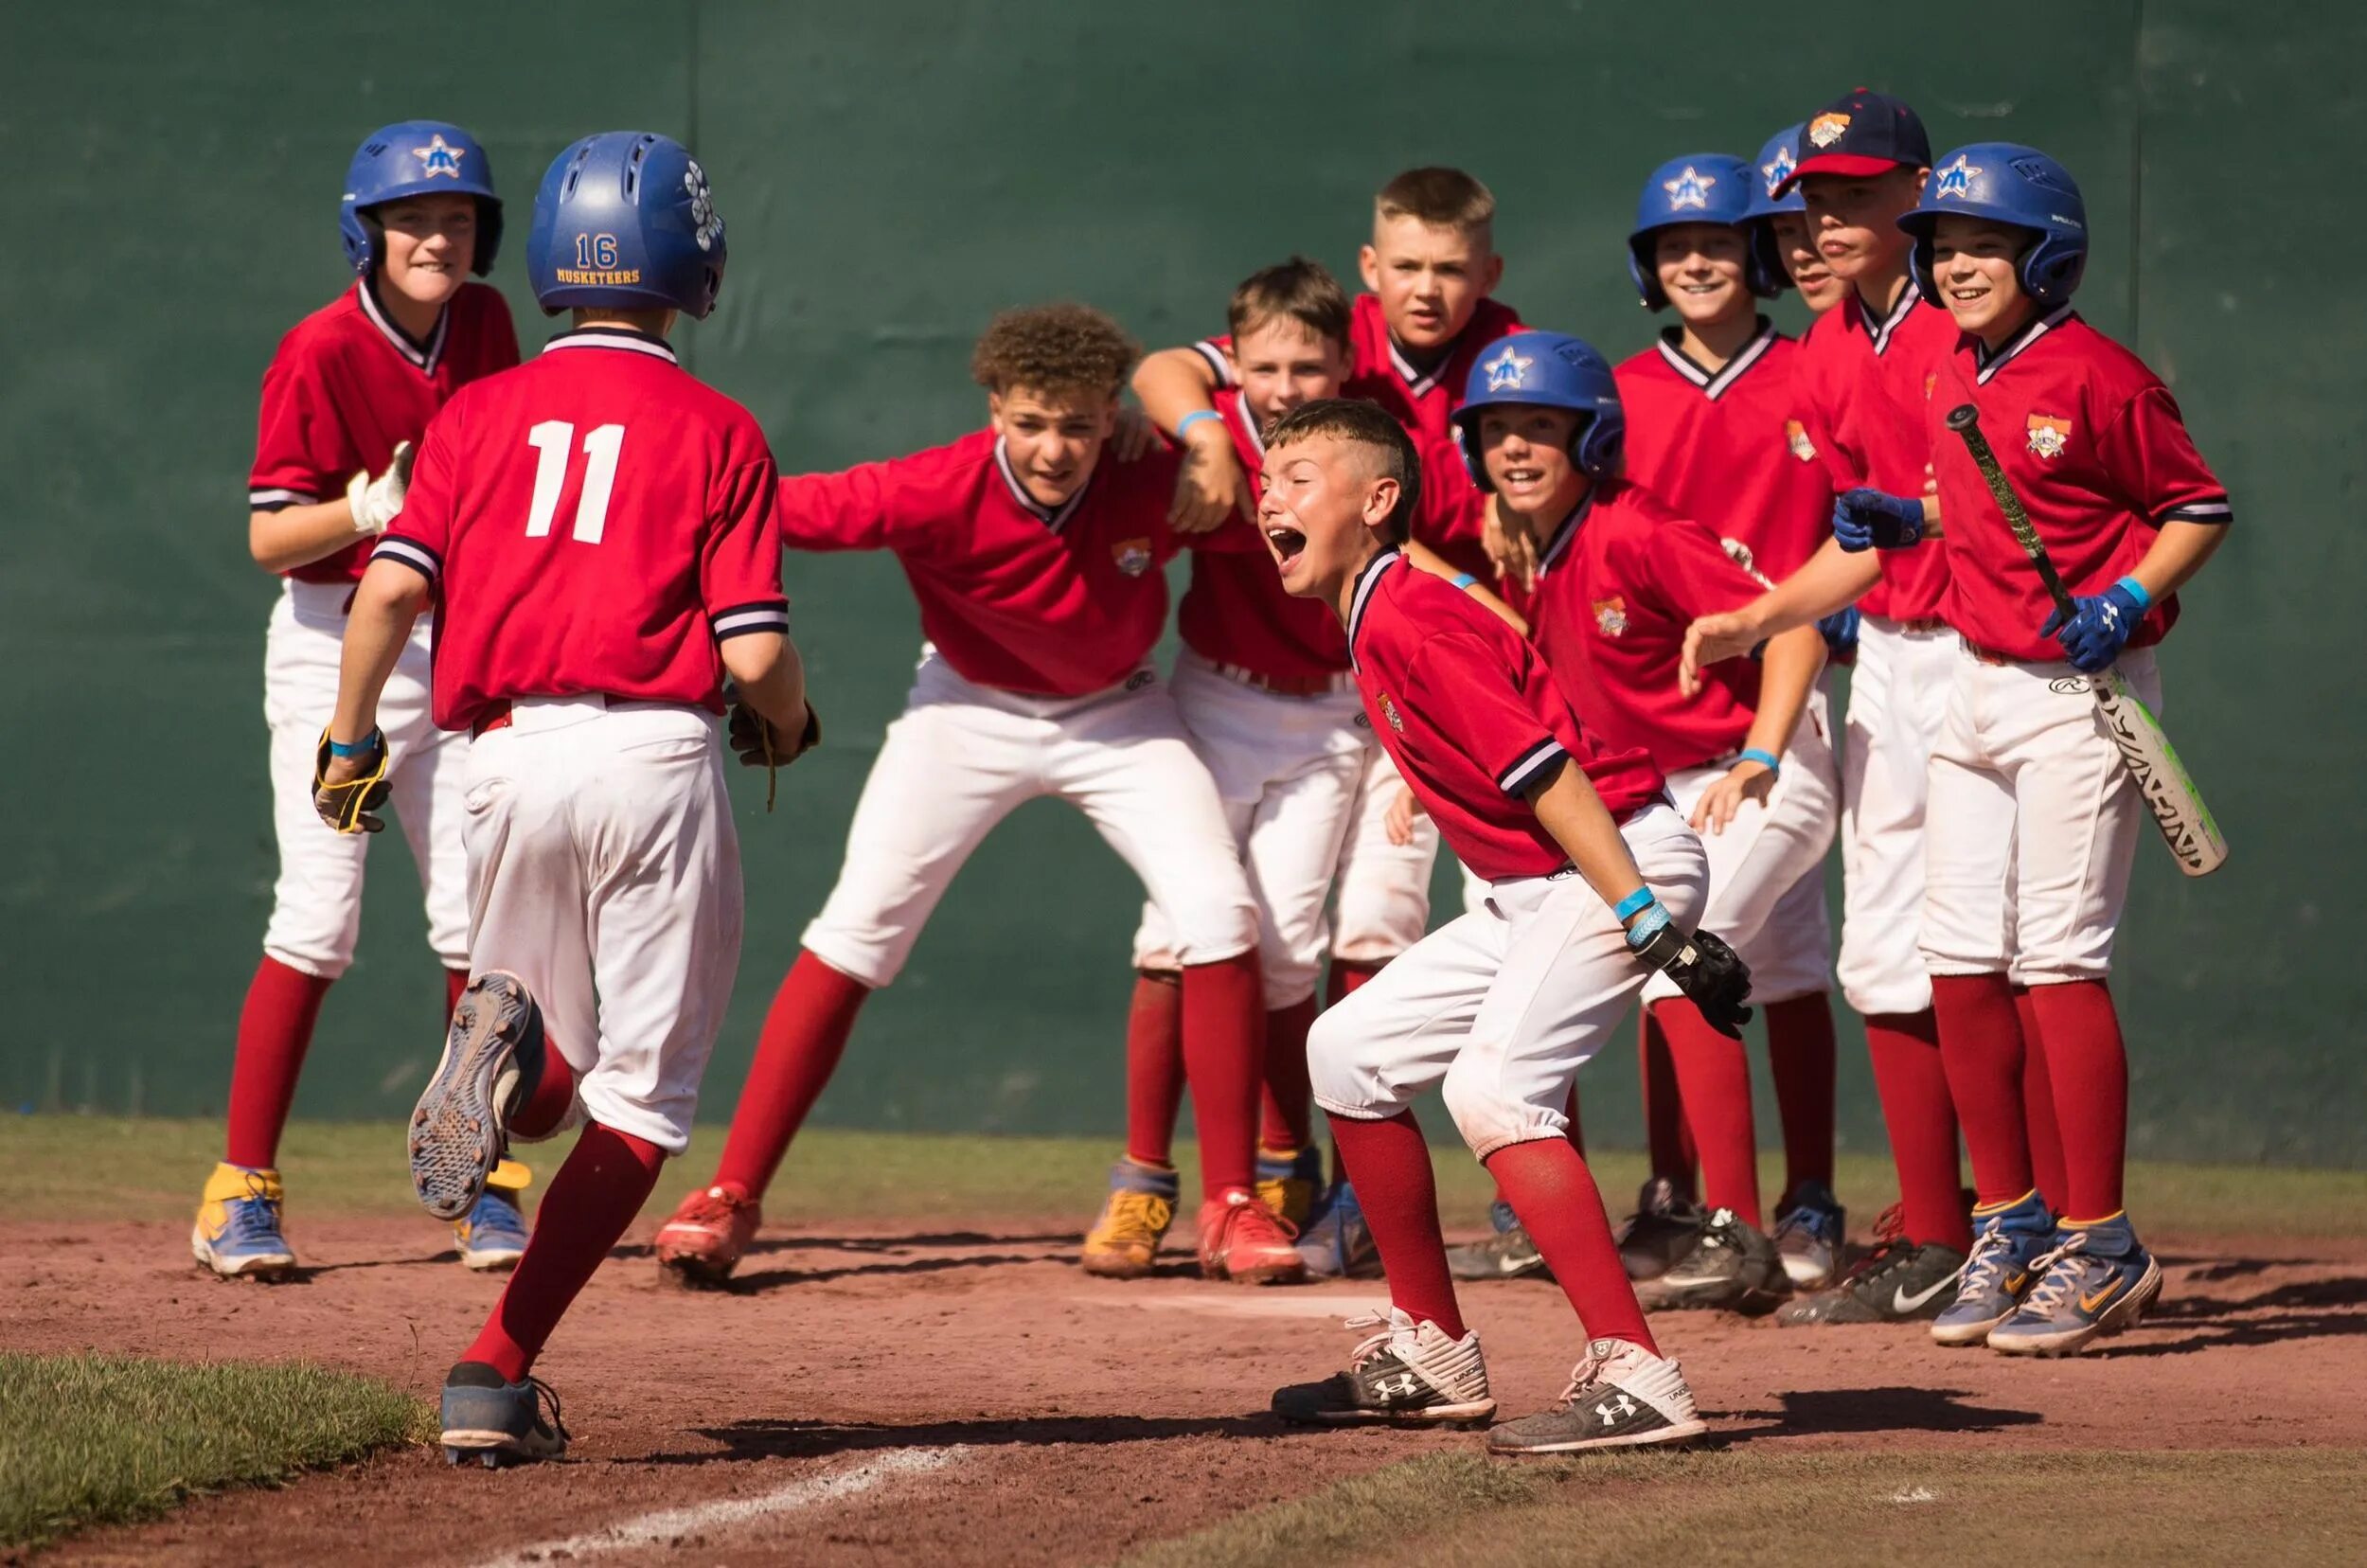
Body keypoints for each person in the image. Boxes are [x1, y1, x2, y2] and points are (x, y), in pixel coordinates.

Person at [316, 130, 810, 1463]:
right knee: (643, 1107)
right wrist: (792, 721)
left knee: (552, 1069)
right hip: (651, 756)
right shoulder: (717, 428)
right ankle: (493, 1368)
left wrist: (351, 740)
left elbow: (391, 590)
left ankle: (507, 1046)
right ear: (693, 265)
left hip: (501, 756)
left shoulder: (471, 416)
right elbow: (754, 653)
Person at [652, 304, 1304, 1289]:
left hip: (1119, 716)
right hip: (964, 711)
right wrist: (632, 502)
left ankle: (1230, 1204)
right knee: (856, 928)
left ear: (1108, 420)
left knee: (1217, 912)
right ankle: (731, 1192)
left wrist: (1204, 445)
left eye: (1079, 425)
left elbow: (1298, 524)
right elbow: (773, 509)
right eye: (1033, 421)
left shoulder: (1152, 475)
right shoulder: (934, 488)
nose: (1055, 447)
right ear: (995, 405)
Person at [1256, 398, 1745, 1452]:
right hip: (1531, 887)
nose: (1269, 496)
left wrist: (1645, 920)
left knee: (1493, 1090)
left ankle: (1639, 1372)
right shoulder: (1381, 602)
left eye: (1299, 476)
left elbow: (1552, 772)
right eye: (1267, 477)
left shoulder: (1408, 612)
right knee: (1345, 1051)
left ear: (1378, 501)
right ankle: (1431, 1352)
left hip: (1607, 857)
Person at [1134, 169, 1529, 1278]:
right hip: (1267, 683)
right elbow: (1167, 368)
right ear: (1370, 270)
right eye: (1406, 263)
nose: (1426, 286)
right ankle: (1253, 1168)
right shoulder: (1320, 335)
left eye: (1450, 267)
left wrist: (1515, 510)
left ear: (1485, 274)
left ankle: (1363, 1193)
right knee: (1236, 930)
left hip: (1400, 683)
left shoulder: (1505, 354)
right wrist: (1208, 438)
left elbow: (1529, 472)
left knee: (1378, 926)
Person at [1899, 146, 2228, 1354]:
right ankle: (2013, 1220)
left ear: (2045, 253)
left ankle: (2103, 1241)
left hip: (2075, 696)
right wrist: (1909, 517)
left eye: (1981, 243)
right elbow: (2004, 492)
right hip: (1970, 684)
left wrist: (2128, 598)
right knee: (1953, 961)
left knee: (2056, 962)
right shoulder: (1949, 369)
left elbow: (2196, 506)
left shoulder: (2104, 376)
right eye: (1940, 245)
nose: (1955, 263)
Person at [196, 120, 525, 1282]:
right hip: (337, 647)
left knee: (476, 922)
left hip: (458, 639)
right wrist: (361, 512)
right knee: (320, 919)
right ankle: (240, 1191)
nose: (438, 236)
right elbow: (266, 538)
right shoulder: (320, 349)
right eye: (413, 219)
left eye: (457, 218)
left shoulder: (485, 324)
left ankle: (478, 1180)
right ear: (368, 230)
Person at [1446, 330, 1827, 1315]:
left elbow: (1792, 629)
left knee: (1675, 960)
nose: (1517, 448)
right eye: (1496, 430)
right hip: (1655, 789)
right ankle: (1679, 1204)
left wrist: (1759, 757)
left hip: (1744, 762)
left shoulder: (1636, 530)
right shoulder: (1528, 538)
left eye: (1541, 427)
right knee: (1764, 973)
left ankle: (1737, 1232)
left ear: (1593, 437)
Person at [1682, 89, 1983, 1326]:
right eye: (1814, 199)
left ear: (1921, 194)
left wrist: (1771, 622)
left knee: (1992, 953)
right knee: (1881, 955)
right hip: (1894, 666)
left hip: (1983, 654)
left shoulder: (1958, 331)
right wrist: (1761, 620)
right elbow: (1857, 544)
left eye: (1857, 193)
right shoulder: (1829, 349)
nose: (1826, 220)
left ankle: (2014, 1226)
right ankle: (1941, 1226)